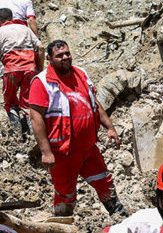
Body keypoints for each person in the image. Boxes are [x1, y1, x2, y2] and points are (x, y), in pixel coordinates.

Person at [26, 40, 126, 217]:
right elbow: (36, 118)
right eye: (59, 56)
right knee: (66, 194)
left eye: (67, 53)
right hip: (62, 153)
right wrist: (45, 152)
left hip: (88, 148)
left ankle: (119, 215)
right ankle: (64, 225)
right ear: (49, 58)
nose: (65, 58)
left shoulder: (81, 74)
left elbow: (95, 104)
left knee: (104, 181)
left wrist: (109, 127)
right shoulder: (42, 83)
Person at [0, 7, 43, 134]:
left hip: (11, 70)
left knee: (10, 101)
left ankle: (16, 132)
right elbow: (41, 47)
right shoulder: (25, 29)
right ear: (12, 17)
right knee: (28, 102)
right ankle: (34, 133)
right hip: (30, 69)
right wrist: (39, 67)